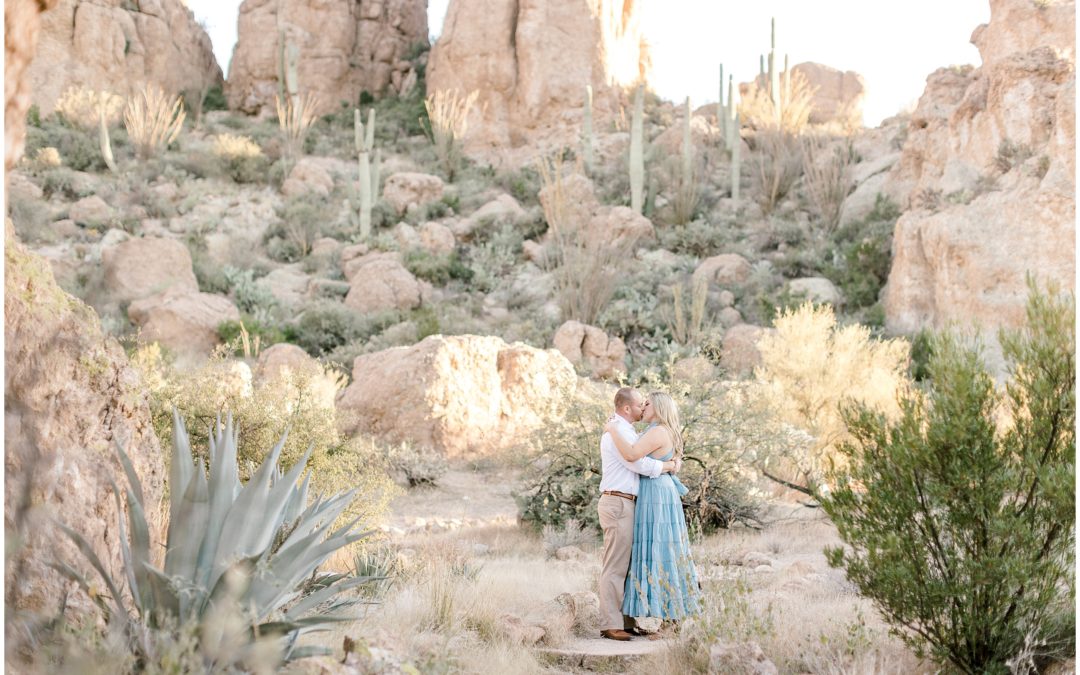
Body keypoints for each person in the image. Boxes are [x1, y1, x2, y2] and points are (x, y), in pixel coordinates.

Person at [603, 391, 701, 626]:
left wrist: (612, 429)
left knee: (662, 552)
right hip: (657, 491)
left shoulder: (658, 431)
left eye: (647, 404)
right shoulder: (657, 430)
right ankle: (669, 618)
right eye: (641, 404)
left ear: (658, 407)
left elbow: (632, 454)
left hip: (657, 493)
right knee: (663, 550)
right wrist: (669, 465)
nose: (643, 407)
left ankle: (670, 620)